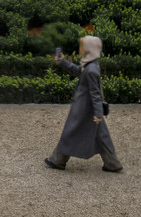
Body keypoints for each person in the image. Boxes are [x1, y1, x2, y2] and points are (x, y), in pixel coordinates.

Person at [45, 35, 123, 172]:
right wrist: (62, 61)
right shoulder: (90, 64)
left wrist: (98, 113)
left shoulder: (91, 69)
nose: (80, 49)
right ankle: (112, 163)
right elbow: (78, 71)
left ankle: (58, 160)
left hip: (84, 108)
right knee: (102, 136)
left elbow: (95, 93)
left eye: (83, 46)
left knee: (70, 132)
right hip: (89, 108)